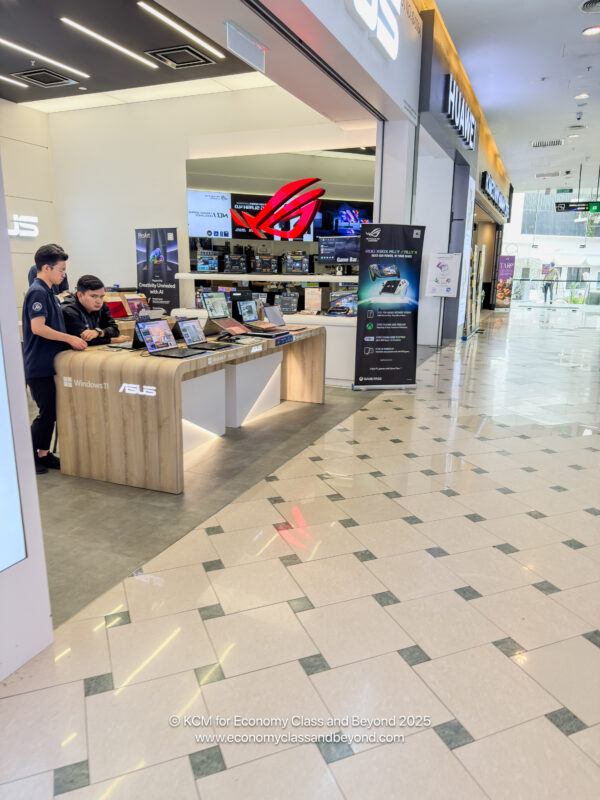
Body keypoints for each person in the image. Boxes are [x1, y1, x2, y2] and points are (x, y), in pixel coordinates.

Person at [23, 244, 88, 475]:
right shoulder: (37, 292)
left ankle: (44, 452)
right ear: (46, 267)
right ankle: (30, 457)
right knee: (45, 412)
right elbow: (38, 327)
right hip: (39, 365)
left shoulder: (49, 291)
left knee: (52, 412)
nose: (64, 275)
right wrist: (70, 338)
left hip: (51, 362)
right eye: (61, 270)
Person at [62, 275, 129, 346]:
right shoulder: (68, 310)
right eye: (93, 296)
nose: (99, 301)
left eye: (101, 296)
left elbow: (115, 330)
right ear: (80, 295)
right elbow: (81, 341)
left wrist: (98, 332)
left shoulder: (102, 305)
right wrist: (114, 340)